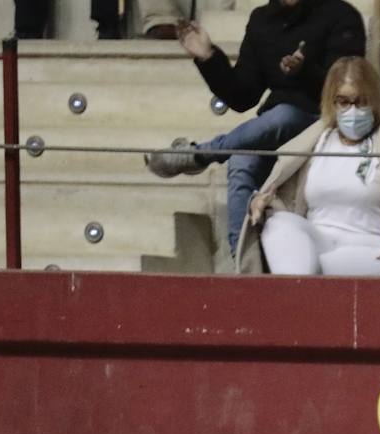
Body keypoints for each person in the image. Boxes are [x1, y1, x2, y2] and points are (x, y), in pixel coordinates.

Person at [143, 0, 366, 255]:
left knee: (282, 116)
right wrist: (208, 57)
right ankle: (242, 260)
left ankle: (202, 153)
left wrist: (304, 71)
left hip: (325, 120)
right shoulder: (263, 19)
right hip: (275, 126)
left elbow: (348, 87)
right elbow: (243, 96)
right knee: (241, 159)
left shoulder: (340, 14)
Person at [237, 55, 380, 273]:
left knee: (312, 267)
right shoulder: (316, 141)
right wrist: (261, 201)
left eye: (361, 101)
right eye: (344, 101)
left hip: (371, 248)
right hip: (315, 241)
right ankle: (302, 280)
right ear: (331, 103)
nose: (353, 110)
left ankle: (299, 286)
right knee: (278, 224)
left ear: (375, 101)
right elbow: (284, 202)